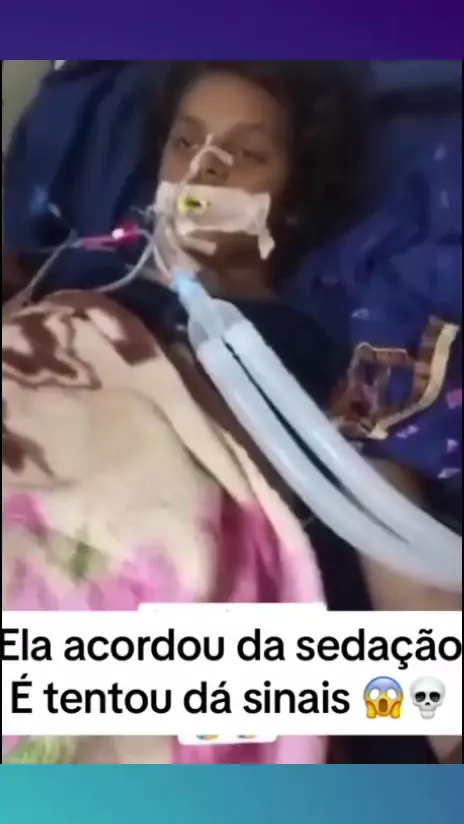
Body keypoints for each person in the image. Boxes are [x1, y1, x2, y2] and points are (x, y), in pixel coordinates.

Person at [2, 61, 460, 764]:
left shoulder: (330, 367)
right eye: (186, 142)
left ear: (292, 203)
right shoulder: (74, 281)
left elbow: (422, 678)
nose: (206, 166)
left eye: (247, 153)